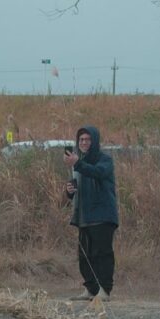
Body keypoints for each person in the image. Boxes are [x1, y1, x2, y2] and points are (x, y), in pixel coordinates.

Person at [65, 126, 118, 304]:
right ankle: (91, 289)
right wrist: (69, 191)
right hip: (84, 216)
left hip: (102, 215)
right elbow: (77, 188)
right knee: (85, 255)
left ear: (94, 141)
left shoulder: (105, 160)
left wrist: (78, 163)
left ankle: (104, 290)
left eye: (88, 139)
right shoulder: (78, 162)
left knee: (102, 254)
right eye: (81, 140)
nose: (84, 142)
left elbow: (98, 173)